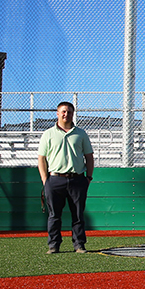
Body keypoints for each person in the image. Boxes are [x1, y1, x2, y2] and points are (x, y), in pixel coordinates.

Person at [37, 101, 94, 254]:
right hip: (55, 179)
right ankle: (54, 245)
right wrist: (45, 180)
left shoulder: (81, 133)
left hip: (77, 179)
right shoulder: (48, 134)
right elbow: (41, 158)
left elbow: (89, 157)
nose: (66, 114)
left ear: (73, 114)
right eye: (63, 111)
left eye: (69, 112)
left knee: (78, 215)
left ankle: (79, 245)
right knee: (54, 215)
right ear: (57, 113)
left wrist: (88, 177)